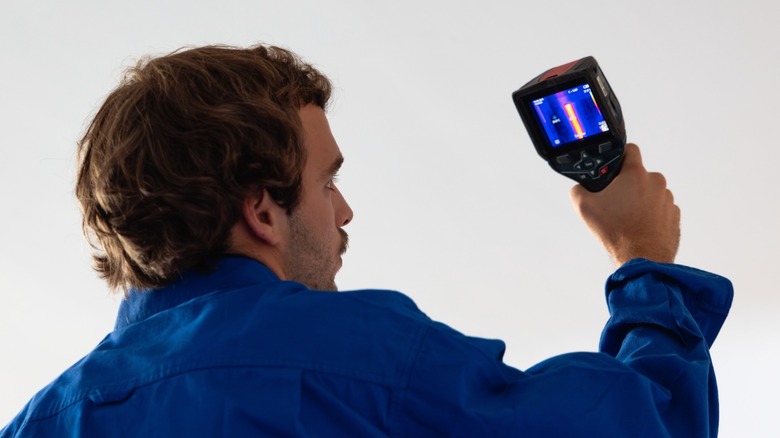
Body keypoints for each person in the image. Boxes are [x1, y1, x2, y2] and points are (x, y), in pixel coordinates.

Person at [1, 44, 732, 437]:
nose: (344, 211)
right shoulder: (354, 361)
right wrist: (644, 259)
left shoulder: (40, 421)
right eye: (326, 183)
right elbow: (643, 429)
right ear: (262, 211)